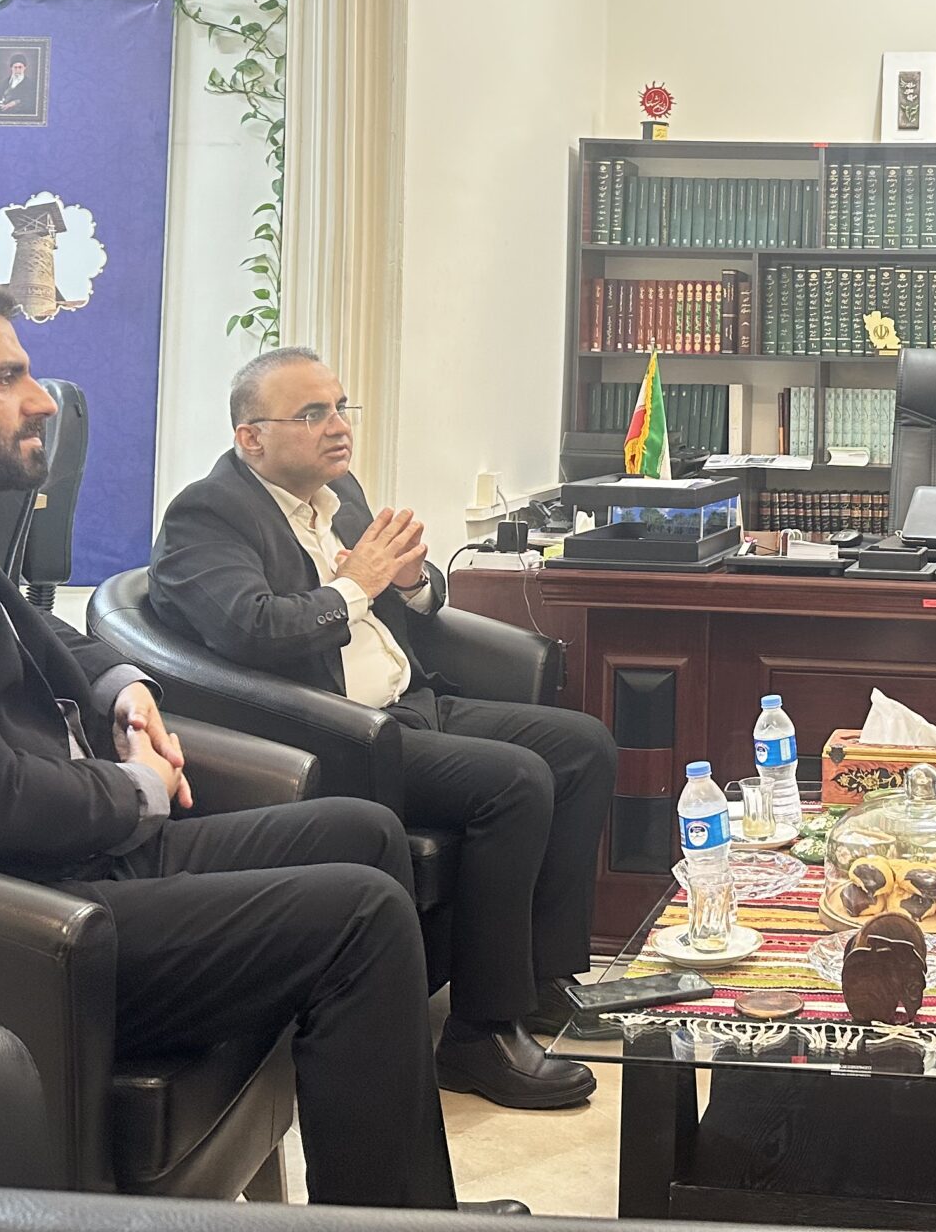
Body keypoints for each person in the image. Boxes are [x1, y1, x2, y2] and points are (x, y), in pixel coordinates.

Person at [0, 278, 504, 1212]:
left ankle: (393, 1198)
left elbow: (34, 629)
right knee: (358, 916)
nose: (42, 401)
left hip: (36, 866)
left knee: (361, 830)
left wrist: (124, 688)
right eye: (5, 377)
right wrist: (137, 788)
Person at [150, 348, 619, 1110]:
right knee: (514, 782)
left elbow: (410, 599)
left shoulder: (339, 492)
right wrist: (355, 584)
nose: (339, 427)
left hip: (408, 703)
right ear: (251, 438)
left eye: (341, 408)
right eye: (313, 414)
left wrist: (411, 582)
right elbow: (251, 629)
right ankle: (480, 1035)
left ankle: (540, 981)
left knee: (583, 747)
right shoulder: (207, 516)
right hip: (333, 733)